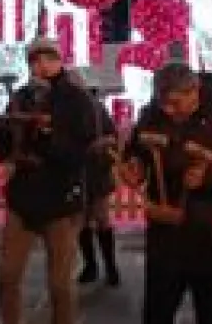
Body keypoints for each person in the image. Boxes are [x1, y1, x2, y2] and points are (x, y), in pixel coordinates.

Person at [118, 64, 212, 324]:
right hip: (166, 234)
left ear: (195, 91)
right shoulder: (151, 115)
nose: (169, 110)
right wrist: (136, 166)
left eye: (176, 103)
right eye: (163, 103)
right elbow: (137, 150)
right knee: (156, 313)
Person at [0, 37, 99, 324]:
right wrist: (6, 132)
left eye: (48, 58)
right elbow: (2, 149)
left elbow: (83, 149)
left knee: (60, 283)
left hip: (61, 197)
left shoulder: (77, 99)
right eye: (35, 60)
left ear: (59, 60)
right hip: (23, 196)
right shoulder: (19, 96)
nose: (41, 65)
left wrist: (49, 133)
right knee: (8, 275)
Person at [76, 90, 121, 286]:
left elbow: (113, 136)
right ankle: (90, 265)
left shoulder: (97, 109)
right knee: (82, 221)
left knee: (102, 218)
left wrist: (101, 143)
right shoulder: (63, 109)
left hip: (97, 170)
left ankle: (110, 267)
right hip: (75, 171)